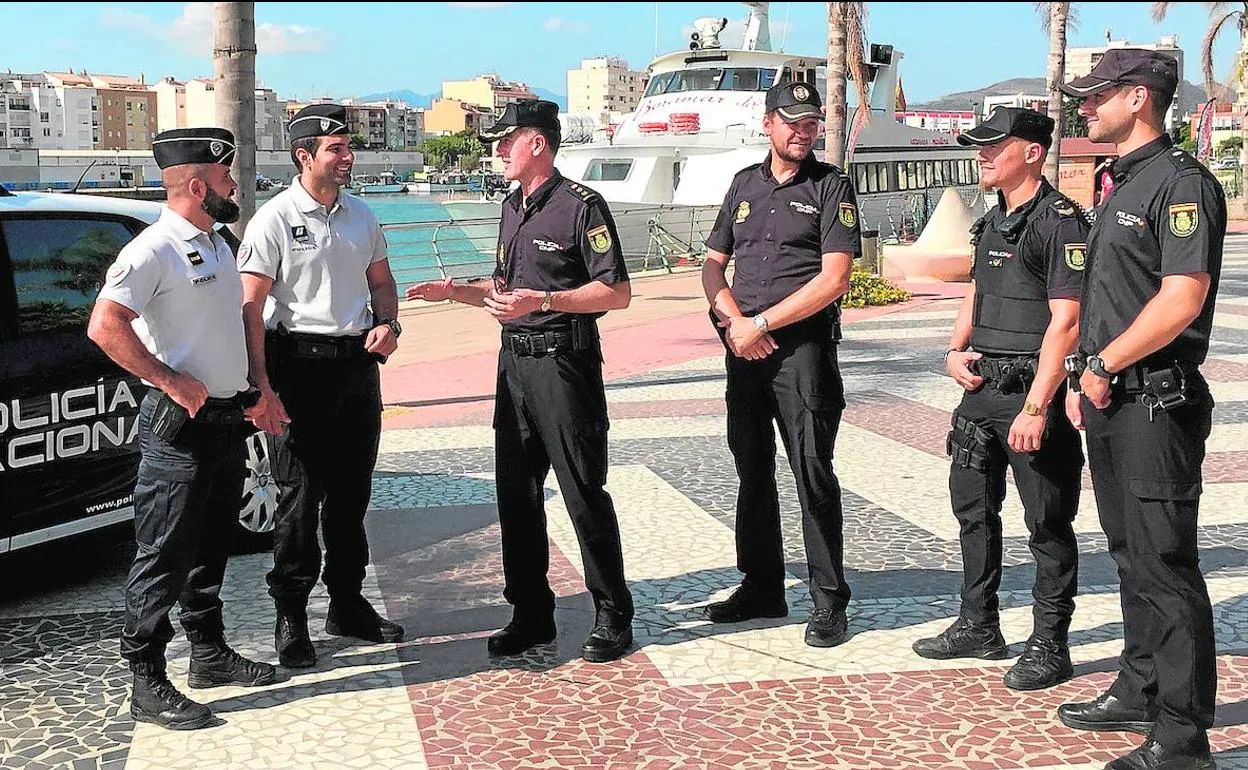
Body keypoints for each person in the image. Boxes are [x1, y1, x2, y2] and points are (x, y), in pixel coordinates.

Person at [405, 99, 634, 663]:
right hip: (514, 367)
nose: (497, 151)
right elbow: (506, 288)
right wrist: (456, 291)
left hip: (564, 365)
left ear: (537, 143)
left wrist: (548, 300)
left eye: (506, 141)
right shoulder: (513, 207)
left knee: (582, 489)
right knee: (516, 494)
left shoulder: (583, 206)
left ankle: (612, 612)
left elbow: (616, 292)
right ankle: (531, 613)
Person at [1057, 49, 1223, 770]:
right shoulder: (1119, 182)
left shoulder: (1180, 184)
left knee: (1165, 563)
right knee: (1128, 556)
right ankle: (1139, 684)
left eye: (1096, 98)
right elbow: (1110, 300)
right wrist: (1082, 377)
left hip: (1155, 401)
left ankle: (1184, 737)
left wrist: (1104, 364)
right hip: (1110, 400)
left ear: (1138, 98)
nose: (1085, 108)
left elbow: (1181, 298)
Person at [87, 127, 277, 730]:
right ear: (197, 184)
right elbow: (105, 326)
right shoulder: (152, 250)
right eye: (225, 178)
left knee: (211, 546)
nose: (233, 186)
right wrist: (168, 379)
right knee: (163, 555)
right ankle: (146, 680)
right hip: (179, 427)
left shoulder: (219, 244)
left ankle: (208, 652)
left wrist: (249, 390)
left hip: (224, 421)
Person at [909, 107, 1088, 692]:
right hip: (981, 390)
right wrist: (954, 351)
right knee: (974, 514)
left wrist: (1038, 407)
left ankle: (1049, 643)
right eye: (979, 147)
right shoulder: (990, 222)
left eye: (994, 146)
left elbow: (1068, 320)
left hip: (1032, 392)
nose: (982, 155)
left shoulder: (1061, 222)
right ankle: (978, 623)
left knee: (1046, 523)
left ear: (1033, 152)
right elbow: (977, 292)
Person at [238, 104, 404, 669]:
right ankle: (291, 616)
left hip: (356, 368)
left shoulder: (362, 216)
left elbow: (382, 282)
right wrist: (262, 387)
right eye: (336, 148)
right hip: (298, 369)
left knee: (352, 495)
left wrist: (390, 323)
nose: (348, 156)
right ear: (304, 155)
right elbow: (250, 308)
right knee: (300, 498)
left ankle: (347, 603)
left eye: (348, 146)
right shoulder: (273, 220)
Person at [698, 80, 857, 648]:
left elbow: (835, 278)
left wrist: (762, 325)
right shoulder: (744, 184)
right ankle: (762, 585)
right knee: (752, 471)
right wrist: (733, 323)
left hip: (802, 354)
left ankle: (829, 599)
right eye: (791, 121)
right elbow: (713, 265)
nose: (803, 131)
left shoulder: (831, 186)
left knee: (812, 471)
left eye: (811, 122)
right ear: (767, 123)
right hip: (743, 352)